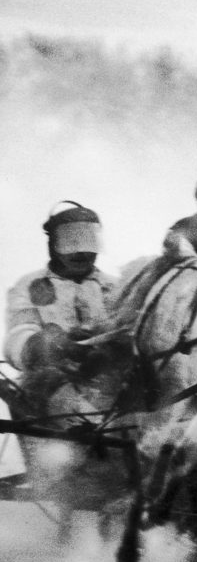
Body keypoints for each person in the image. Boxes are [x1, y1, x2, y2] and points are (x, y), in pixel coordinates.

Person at [2, 201, 124, 541]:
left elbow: (129, 330)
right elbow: (17, 334)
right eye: (72, 242)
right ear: (54, 244)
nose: (82, 253)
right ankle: (89, 464)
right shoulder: (32, 286)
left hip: (104, 375)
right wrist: (46, 344)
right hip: (49, 377)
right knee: (69, 401)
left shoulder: (115, 287)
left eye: (88, 242)